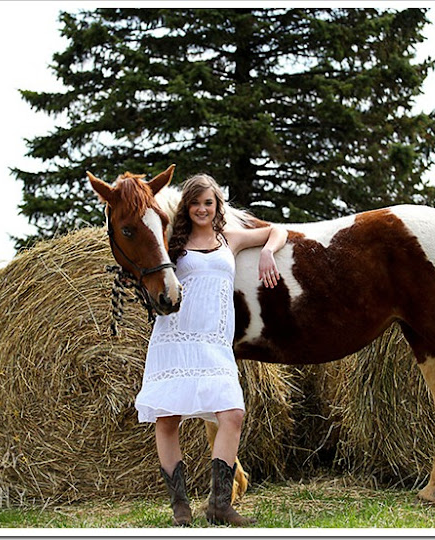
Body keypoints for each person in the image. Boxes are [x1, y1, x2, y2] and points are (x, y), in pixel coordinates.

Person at [134, 173, 287, 527]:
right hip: (175, 337)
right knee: (168, 418)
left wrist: (267, 252)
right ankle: (180, 508)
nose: (202, 209)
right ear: (186, 207)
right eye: (195, 203)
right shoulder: (173, 243)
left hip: (215, 341)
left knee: (232, 414)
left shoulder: (229, 239)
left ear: (218, 205)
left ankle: (219, 505)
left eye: (209, 202)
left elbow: (276, 231)